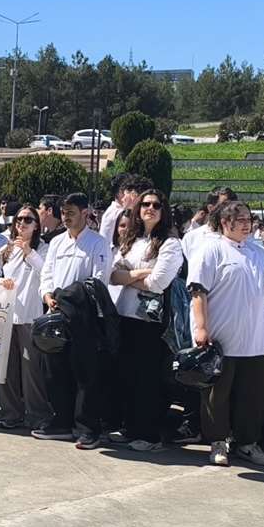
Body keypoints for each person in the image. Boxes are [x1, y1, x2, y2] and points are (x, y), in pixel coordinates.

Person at [188, 200, 264, 467]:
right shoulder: (211, 249)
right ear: (224, 222)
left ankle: (248, 442)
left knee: (254, 394)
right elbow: (198, 291)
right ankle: (218, 442)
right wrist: (201, 327)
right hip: (222, 336)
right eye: (240, 220)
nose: (246, 224)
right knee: (217, 394)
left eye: (248, 219)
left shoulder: (258, 252)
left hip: (256, 338)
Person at [107, 189, 184, 451]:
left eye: (156, 205)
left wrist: (129, 276)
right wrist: (142, 273)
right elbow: (112, 275)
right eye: (145, 204)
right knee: (126, 376)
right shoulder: (132, 240)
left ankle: (149, 434)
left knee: (148, 379)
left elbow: (158, 283)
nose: (150, 208)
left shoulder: (170, 244)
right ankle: (130, 427)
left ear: (164, 211)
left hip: (151, 322)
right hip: (125, 316)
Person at [36, 193, 112, 444]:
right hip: (56, 315)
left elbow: (98, 281)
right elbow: (47, 273)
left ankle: (87, 428)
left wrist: (71, 298)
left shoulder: (98, 243)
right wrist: (47, 295)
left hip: (83, 318)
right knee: (55, 371)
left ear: (85, 213)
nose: (66, 217)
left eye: (71, 212)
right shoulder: (57, 242)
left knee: (85, 374)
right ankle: (61, 421)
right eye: (64, 212)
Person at [0, 204, 53, 431]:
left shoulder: (44, 248)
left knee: (32, 370)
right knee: (6, 369)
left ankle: (37, 415)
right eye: (18, 219)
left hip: (31, 316)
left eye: (28, 220)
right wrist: (2, 282)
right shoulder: (6, 249)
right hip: (7, 316)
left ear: (36, 225)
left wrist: (29, 251)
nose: (21, 223)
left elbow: (46, 272)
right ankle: (11, 413)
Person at [99, 174, 149, 245]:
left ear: (133, 195)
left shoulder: (140, 216)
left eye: (125, 194)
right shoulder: (116, 213)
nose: (123, 199)